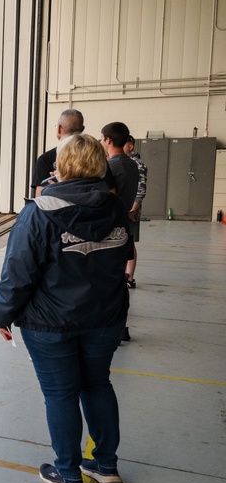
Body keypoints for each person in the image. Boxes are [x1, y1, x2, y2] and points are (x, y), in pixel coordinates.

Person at [0, 133, 132, 483]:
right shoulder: (116, 208)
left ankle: (69, 473)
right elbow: (123, 256)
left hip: (50, 322)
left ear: (61, 165)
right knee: (97, 384)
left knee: (60, 394)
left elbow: (18, 272)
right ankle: (105, 465)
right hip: (105, 317)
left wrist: (1, 314)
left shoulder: (39, 212)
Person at [100, 122, 140, 342]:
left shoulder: (110, 167)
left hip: (110, 228)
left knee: (107, 282)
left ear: (108, 140)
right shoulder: (132, 165)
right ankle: (121, 325)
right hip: (125, 225)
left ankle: (112, 325)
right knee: (119, 281)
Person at [30, 109, 84, 196]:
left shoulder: (46, 159)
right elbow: (110, 191)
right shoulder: (94, 156)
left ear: (59, 128)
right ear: (82, 129)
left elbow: (40, 199)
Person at [123, 135, 147, 288]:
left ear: (130, 146)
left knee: (129, 243)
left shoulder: (137, 164)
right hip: (123, 208)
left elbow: (141, 189)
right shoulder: (123, 162)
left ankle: (130, 278)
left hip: (131, 210)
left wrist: (133, 209)